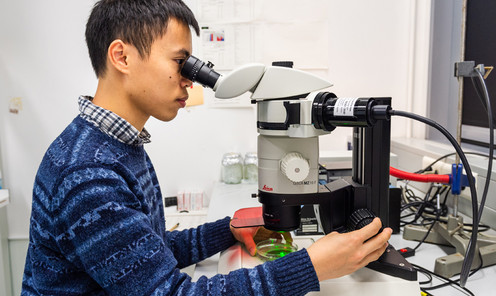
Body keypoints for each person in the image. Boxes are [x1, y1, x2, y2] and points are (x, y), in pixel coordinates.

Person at [21, 0, 392, 295]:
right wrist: (311, 267)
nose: (190, 81)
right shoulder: (88, 175)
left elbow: (146, 253)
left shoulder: (114, 145)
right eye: (181, 62)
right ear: (122, 56)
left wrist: (227, 231)